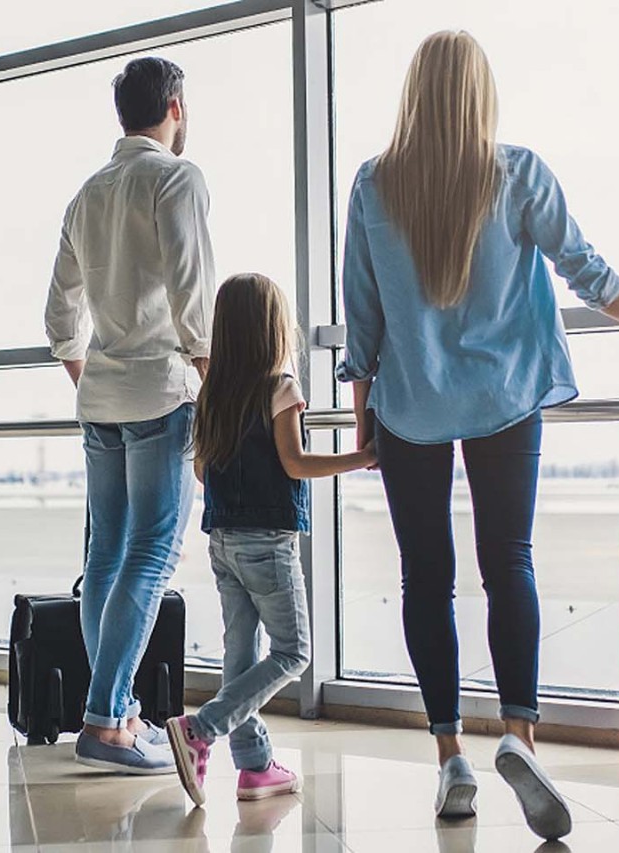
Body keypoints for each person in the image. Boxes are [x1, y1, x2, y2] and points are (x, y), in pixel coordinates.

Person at [335, 31, 619, 840]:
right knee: (510, 562)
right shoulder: (518, 172)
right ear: (478, 94)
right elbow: (587, 269)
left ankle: (448, 758)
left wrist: (364, 414)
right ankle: (523, 737)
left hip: (411, 408)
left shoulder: (373, 183)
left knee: (425, 576)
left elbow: (360, 318)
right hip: (505, 398)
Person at [44, 56, 215, 775]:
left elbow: (60, 314)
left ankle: (112, 709)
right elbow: (195, 299)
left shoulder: (87, 193)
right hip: (162, 395)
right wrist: (219, 399)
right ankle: (106, 719)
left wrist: (93, 377)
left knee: (106, 558)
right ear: (175, 105)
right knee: (149, 554)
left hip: (103, 402)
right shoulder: (177, 178)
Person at [165, 273, 376, 806]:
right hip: (268, 542)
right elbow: (295, 463)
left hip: (222, 539)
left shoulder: (214, 391)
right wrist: (366, 457)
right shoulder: (281, 386)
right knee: (294, 651)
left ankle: (255, 766)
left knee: (240, 654)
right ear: (272, 328)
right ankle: (200, 730)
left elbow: (200, 472)